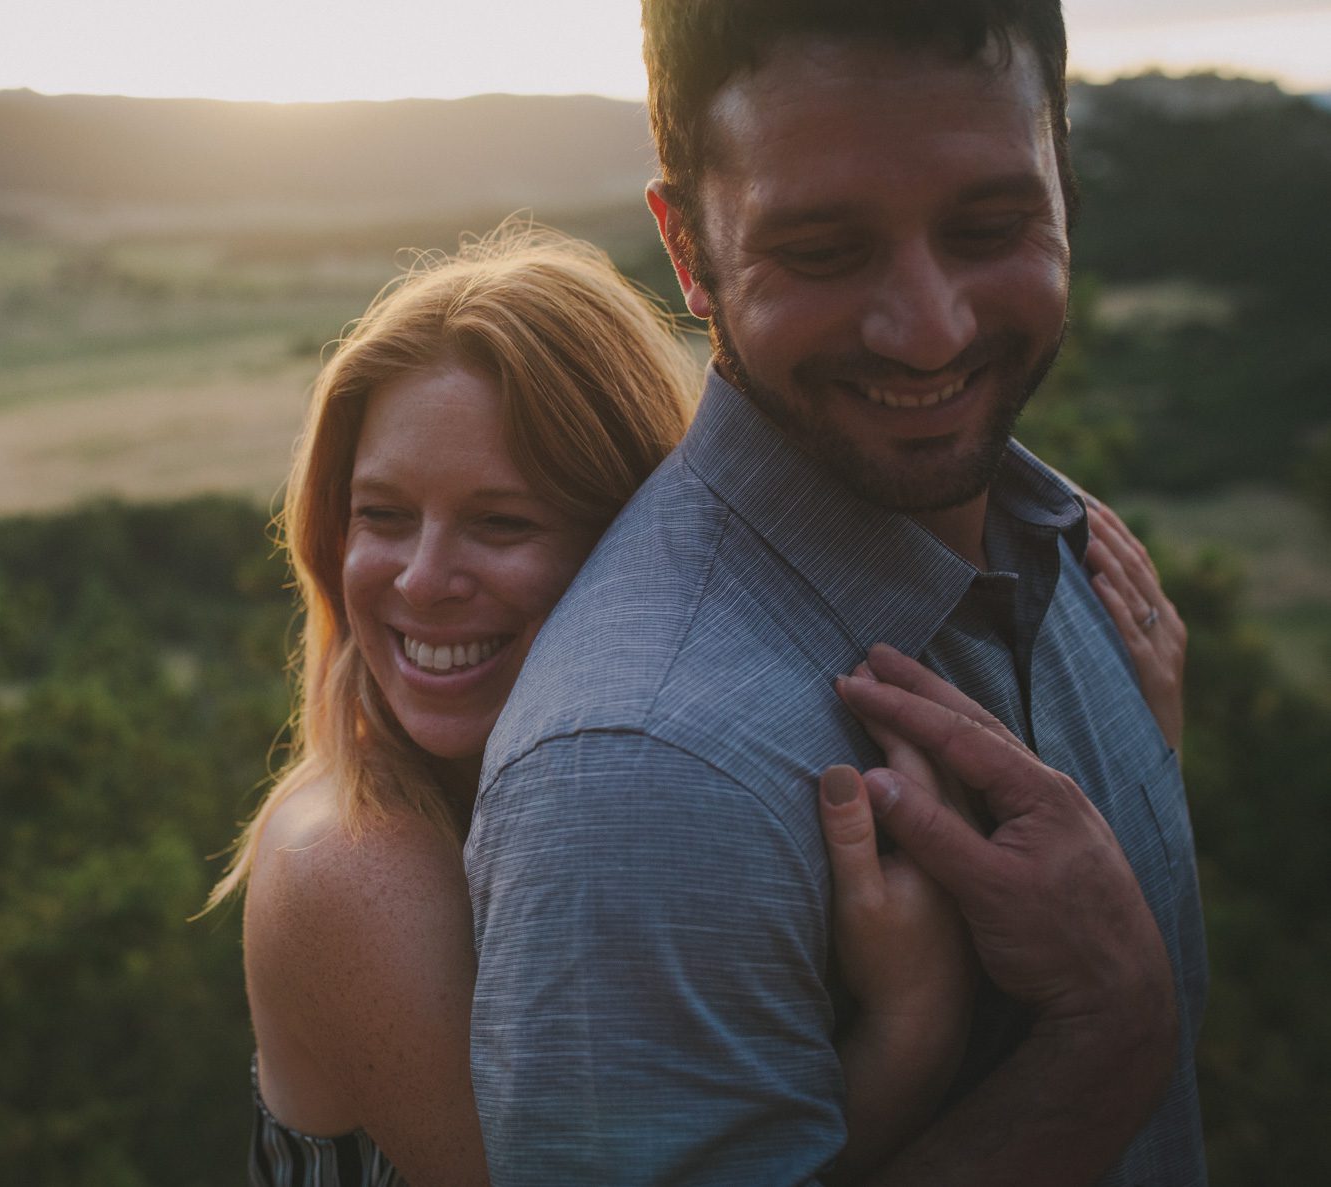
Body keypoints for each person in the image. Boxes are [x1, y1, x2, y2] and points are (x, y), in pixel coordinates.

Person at [208, 225, 1184, 1185]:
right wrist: (911, 1026)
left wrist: (1109, 735)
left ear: (628, 546)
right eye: (382, 515)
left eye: (500, 523)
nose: (422, 580)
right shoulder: (346, 861)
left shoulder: (708, 763)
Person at [465, 3, 1207, 1184]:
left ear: (1063, 176)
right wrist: (1105, 1038)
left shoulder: (1076, 562)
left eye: (990, 222)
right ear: (688, 250)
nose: (928, 331)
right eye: (820, 250)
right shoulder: (643, 773)